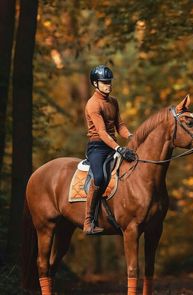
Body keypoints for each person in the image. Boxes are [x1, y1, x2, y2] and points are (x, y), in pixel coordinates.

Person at [83, 65, 136, 235]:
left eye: (109, 81)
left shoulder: (113, 101)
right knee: (99, 177)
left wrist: (131, 137)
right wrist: (119, 148)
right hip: (97, 147)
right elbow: (102, 132)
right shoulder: (92, 104)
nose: (108, 85)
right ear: (95, 83)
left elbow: (120, 126)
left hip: (112, 145)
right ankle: (88, 221)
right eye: (104, 82)